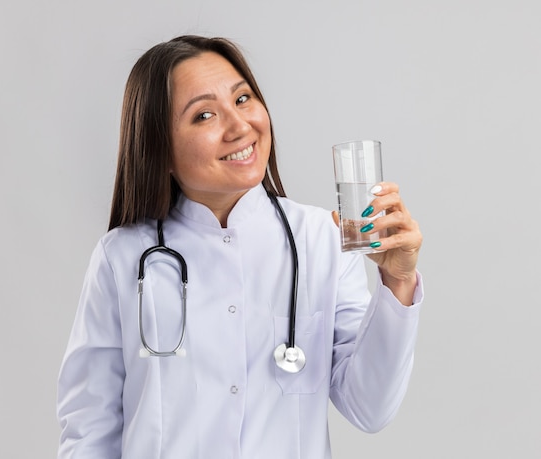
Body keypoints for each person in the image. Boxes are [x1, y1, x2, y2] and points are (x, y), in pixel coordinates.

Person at [57, 35, 423, 459]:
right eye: (205, 115)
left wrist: (397, 281)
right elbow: (88, 430)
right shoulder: (121, 259)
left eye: (244, 98)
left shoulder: (321, 239)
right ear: (162, 149)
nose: (239, 127)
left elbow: (370, 407)